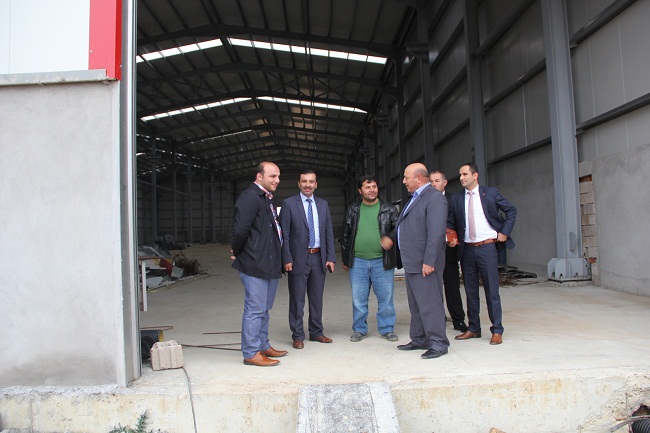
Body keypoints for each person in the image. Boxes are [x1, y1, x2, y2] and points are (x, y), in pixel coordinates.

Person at [447, 162, 517, 345]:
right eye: (460, 175)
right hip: (467, 250)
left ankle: (497, 330)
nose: (461, 178)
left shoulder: (490, 193)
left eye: (465, 174)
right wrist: (451, 237)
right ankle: (473, 328)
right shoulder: (456, 198)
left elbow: (511, 210)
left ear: (475, 175)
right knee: (470, 291)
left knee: (492, 291)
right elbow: (450, 222)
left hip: (487, 248)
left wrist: (504, 232)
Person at [231, 162, 288, 367]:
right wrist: (238, 252)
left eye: (278, 176)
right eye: (272, 176)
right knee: (255, 309)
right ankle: (251, 352)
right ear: (259, 176)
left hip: (269, 262)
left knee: (264, 308)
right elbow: (240, 230)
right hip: (255, 263)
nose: (277, 180)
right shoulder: (250, 197)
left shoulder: (267, 198)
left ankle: (263, 345)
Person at [395, 163, 449, 359]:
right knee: (416, 304)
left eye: (406, 177)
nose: (404, 181)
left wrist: (429, 261)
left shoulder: (434, 198)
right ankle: (420, 338)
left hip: (425, 263)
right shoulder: (415, 198)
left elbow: (436, 233)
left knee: (430, 304)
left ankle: (438, 343)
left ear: (418, 178)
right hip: (412, 262)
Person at [280, 169, 336, 349]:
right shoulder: (289, 204)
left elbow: (328, 232)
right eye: (304, 181)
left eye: (311, 181)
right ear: (299, 183)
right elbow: (284, 234)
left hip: (319, 257)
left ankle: (316, 332)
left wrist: (330, 257)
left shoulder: (323, 204)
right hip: (297, 259)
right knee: (297, 299)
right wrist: (286, 258)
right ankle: (297, 335)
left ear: (316, 184)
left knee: (316, 298)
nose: (307, 185)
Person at [341, 175, 400, 343]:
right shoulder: (353, 210)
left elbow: (399, 227)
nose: (372, 190)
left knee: (386, 298)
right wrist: (346, 260)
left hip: (382, 261)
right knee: (358, 299)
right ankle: (359, 329)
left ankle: (387, 328)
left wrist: (391, 237)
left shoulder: (388, 209)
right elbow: (345, 235)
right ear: (360, 191)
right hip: (358, 261)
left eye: (374, 186)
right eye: (367, 187)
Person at [430, 170, 468, 333]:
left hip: (449, 249)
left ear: (445, 183)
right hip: (431, 250)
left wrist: (456, 239)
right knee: (433, 286)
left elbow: (460, 222)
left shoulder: (454, 200)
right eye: (431, 181)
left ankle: (458, 319)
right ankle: (438, 318)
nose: (434, 184)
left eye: (437, 181)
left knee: (452, 285)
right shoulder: (426, 200)